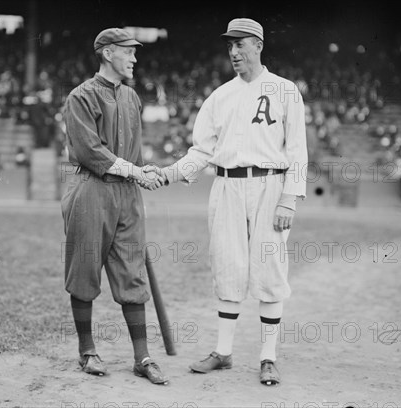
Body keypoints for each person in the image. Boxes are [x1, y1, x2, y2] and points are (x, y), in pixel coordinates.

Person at [159, 18, 308, 386]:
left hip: (270, 186)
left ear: (258, 45)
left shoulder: (286, 90)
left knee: (269, 268)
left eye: (240, 44)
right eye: (230, 46)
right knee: (227, 265)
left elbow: (298, 150)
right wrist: (169, 173)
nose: (234, 52)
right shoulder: (220, 96)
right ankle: (223, 352)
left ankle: (268, 357)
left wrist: (289, 198)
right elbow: (201, 151)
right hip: (226, 186)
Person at [61, 27, 168, 385]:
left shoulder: (132, 97)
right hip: (91, 189)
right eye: (129, 52)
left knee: (132, 275)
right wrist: (135, 170)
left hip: (127, 194)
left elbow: (132, 152)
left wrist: (143, 170)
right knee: (84, 270)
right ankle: (87, 350)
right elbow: (92, 153)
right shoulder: (81, 97)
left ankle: (142, 357)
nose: (134, 59)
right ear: (108, 53)